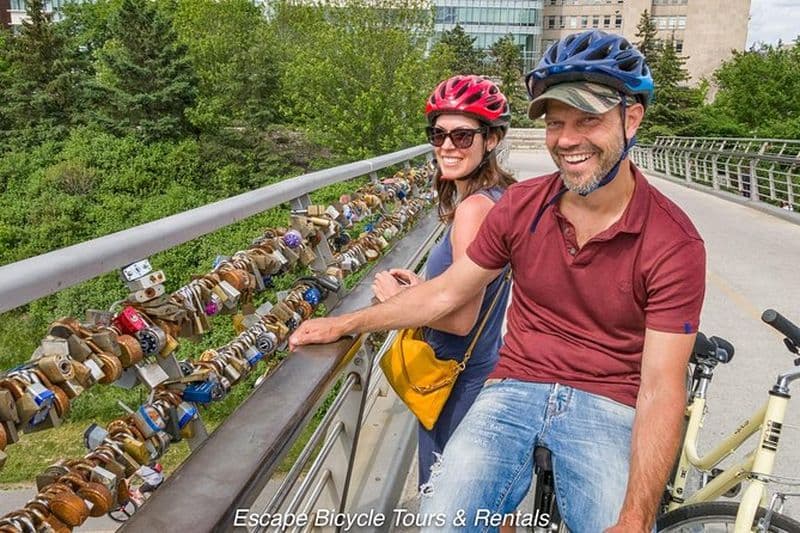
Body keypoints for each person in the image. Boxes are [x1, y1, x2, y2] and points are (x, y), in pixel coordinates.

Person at [290, 29, 706, 533]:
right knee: (443, 521)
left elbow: (662, 388)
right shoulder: (520, 205)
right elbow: (449, 291)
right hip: (515, 385)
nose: (568, 140)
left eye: (588, 120)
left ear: (631, 117)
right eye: (556, 123)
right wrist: (347, 323)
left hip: (607, 399)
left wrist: (637, 517)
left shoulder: (673, 242)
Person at [370, 75, 514, 490]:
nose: (447, 146)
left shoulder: (473, 210)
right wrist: (427, 286)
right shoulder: (500, 196)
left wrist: (398, 301)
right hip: (482, 368)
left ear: (492, 139)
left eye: (463, 135)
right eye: (438, 134)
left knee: (447, 503)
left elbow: (459, 320)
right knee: (483, 499)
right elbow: (470, 286)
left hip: (455, 384)